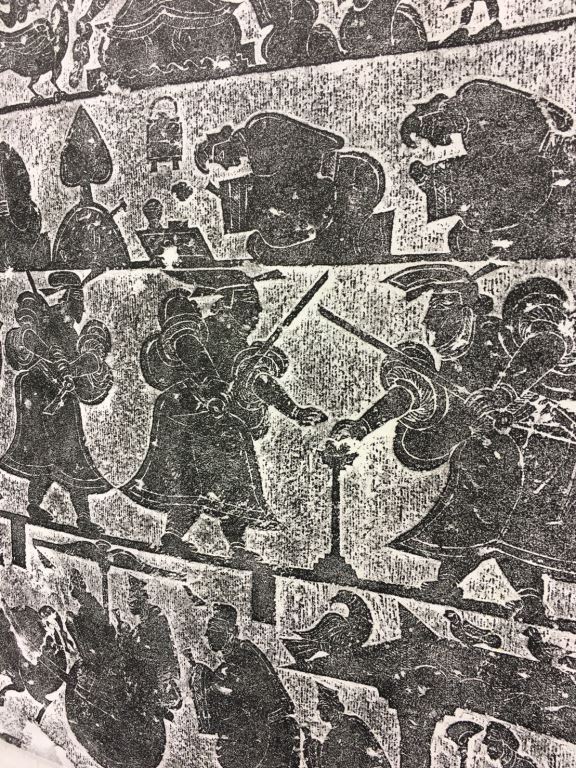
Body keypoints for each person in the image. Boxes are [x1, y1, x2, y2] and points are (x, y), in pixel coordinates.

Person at [331, 264, 576, 622]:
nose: (430, 326)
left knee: (520, 521)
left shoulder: (516, 327)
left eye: (440, 315)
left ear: (465, 311)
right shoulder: (454, 361)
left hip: (547, 441)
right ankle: (450, 581)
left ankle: (529, 597)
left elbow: (547, 345)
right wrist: (361, 426)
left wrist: (502, 395)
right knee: (471, 507)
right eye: (430, 317)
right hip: (494, 448)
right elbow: (412, 394)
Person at [122, 271, 326, 558]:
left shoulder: (239, 349)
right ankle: (173, 536)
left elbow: (259, 380)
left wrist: (293, 410)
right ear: (224, 307)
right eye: (247, 309)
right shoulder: (198, 332)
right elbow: (187, 353)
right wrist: (210, 386)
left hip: (219, 422)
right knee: (188, 480)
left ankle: (237, 545)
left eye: (256, 311)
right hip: (186, 413)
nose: (254, 316)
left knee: (237, 483)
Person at [0, 272, 113, 535]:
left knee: (71, 456)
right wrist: (51, 359)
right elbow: (23, 349)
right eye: (68, 300)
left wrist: (75, 370)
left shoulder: (69, 332)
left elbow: (85, 365)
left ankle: (82, 517)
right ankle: (36, 505)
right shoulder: (41, 327)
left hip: (64, 398)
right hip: (41, 396)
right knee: (46, 455)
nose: (72, 307)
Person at [189, 603, 300, 768]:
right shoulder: (234, 656)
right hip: (262, 732)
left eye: (214, 630)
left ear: (231, 632)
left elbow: (234, 687)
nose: (207, 635)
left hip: (273, 736)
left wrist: (203, 674)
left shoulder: (244, 653)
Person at [303, 683, 392, 768]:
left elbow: (376, 751)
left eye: (325, 709)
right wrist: (309, 741)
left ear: (335, 708)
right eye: (321, 709)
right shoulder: (331, 736)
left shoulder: (353, 723)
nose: (322, 713)